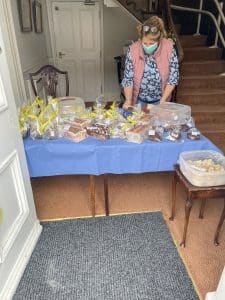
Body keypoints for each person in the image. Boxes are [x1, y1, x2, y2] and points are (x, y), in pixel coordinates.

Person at [122, 16, 179, 109]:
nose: (147, 46)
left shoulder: (169, 48)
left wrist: (163, 101)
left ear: (159, 40)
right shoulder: (133, 50)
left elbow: (173, 78)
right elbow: (128, 79)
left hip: (161, 100)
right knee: (141, 122)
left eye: (152, 44)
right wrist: (128, 100)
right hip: (139, 100)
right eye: (145, 43)